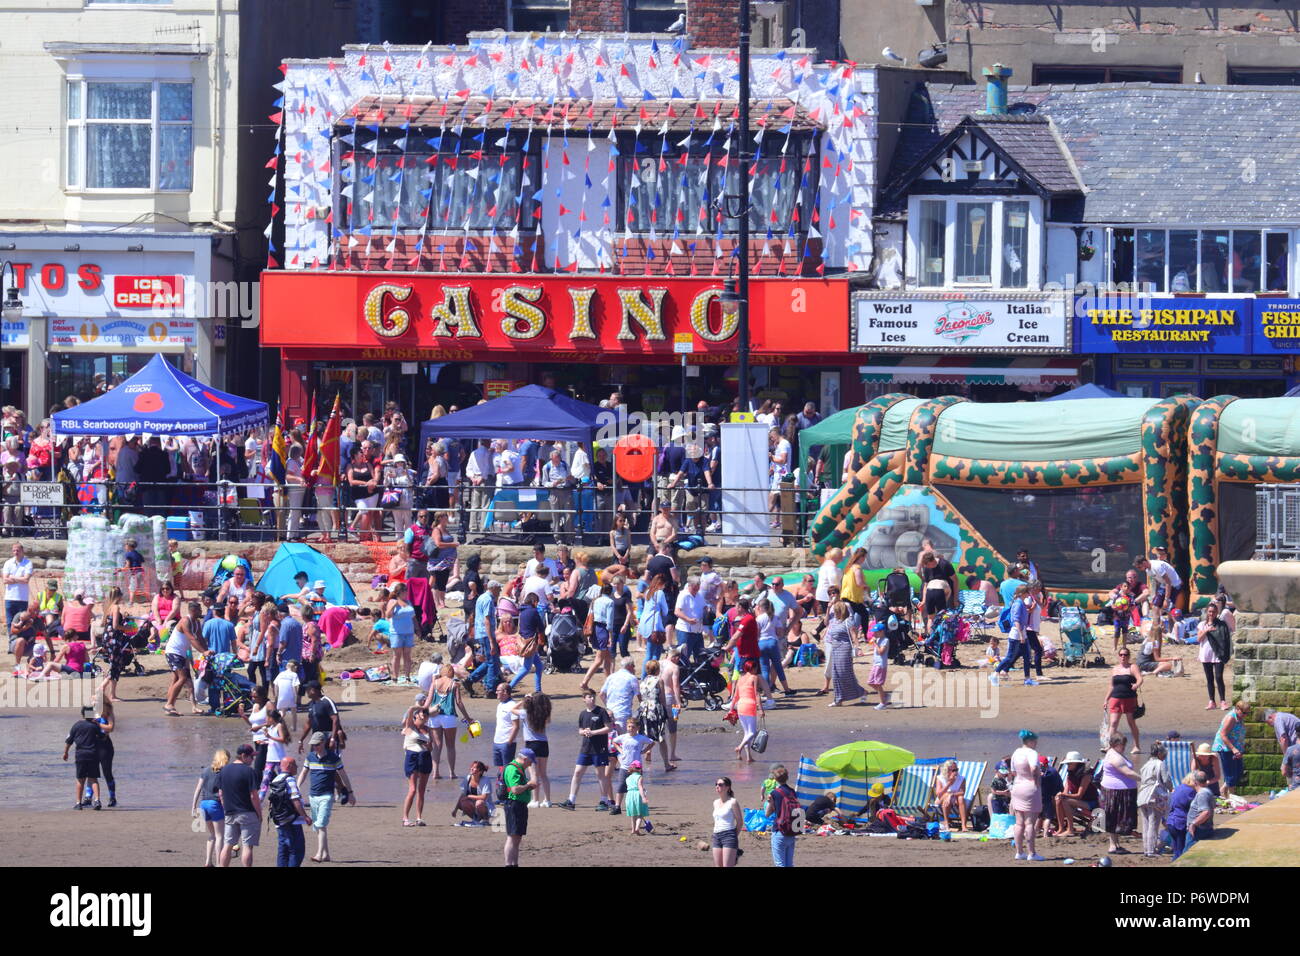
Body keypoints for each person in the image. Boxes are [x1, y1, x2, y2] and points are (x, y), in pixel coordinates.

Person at [299, 731, 353, 863]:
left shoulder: (333, 757)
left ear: (323, 743)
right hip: (313, 795)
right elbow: (303, 773)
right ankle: (326, 855)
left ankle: (319, 854)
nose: (315, 747)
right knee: (318, 827)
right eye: (313, 745)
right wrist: (296, 788)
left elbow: (343, 775)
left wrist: (350, 792)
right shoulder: (310, 757)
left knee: (321, 824)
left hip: (326, 796)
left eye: (317, 744)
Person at [561, 688, 614, 810]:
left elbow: (609, 728)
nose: (592, 698)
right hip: (585, 748)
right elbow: (579, 730)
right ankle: (571, 800)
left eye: (593, 696)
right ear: (584, 699)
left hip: (599, 748)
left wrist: (594, 732)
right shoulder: (582, 714)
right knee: (578, 772)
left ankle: (604, 801)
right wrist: (584, 732)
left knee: (600, 774)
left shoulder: (601, 712)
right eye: (589, 696)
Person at [216, 744, 262, 867]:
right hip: (247, 812)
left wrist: (226, 809)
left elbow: (220, 794)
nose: (253, 760)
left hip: (230, 813)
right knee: (247, 846)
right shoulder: (249, 771)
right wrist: (259, 814)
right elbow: (253, 796)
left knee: (227, 845)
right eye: (251, 757)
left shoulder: (224, 770)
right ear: (243, 756)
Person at [427, 663, 471, 779]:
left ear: (442, 672)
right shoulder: (454, 684)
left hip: (434, 716)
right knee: (450, 746)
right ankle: (452, 773)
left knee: (437, 746)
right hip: (449, 716)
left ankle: (435, 773)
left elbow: (428, 701)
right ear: (451, 673)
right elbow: (459, 702)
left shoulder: (434, 683)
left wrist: (422, 712)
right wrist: (467, 717)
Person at [1100, 732, 1140, 854]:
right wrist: (1144, 778)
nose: (1124, 747)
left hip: (1120, 791)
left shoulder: (1114, 753)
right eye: (1122, 745)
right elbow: (1128, 773)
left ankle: (1116, 844)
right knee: (1114, 817)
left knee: (1117, 818)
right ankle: (1113, 845)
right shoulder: (1114, 757)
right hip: (1115, 792)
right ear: (1115, 744)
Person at [165, 601, 205, 716]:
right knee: (182, 678)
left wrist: (207, 651)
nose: (201, 611)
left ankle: (194, 707)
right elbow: (192, 639)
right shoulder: (185, 621)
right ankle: (169, 705)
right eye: (199, 609)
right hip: (173, 652)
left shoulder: (196, 623)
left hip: (183, 654)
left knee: (188, 681)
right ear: (193, 610)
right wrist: (203, 652)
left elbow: (200, 638)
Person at [1009, 729, 1043, 862]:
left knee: (1019, 822)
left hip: (1017, 786)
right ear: (1030, 741)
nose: (1036, 744)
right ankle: (1032, 853)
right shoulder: (1032, 753)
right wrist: (1036, 781)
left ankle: (1019, 852)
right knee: (1030, 823)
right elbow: (1034, 768)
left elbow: (1012, 772)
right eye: (1035, 741)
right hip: (1030, 787)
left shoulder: (1016, 752)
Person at [267, 755, 308, 867]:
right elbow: (295, 800)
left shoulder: (276, 779)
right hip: (292, 820)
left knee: (283, 849)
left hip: (279, 820)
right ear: (289, 766)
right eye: (295, 765)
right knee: (297, 850)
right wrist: (305, 816)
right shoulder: (289, 780)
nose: (297, 767)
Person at [638, 659, 677, 772]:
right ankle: (666, 764)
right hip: (655, 710)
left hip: (644, 709)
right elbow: (662, 698)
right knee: (661, 737)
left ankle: (637, 763)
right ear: (658, 669)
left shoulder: (643, 681)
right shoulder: (659, 680)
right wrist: (665, 711)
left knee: (643, 735)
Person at [824, 601, 865, 707]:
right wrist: (828, 609)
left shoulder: (848, 621)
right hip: (835, 650)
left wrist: (858, 648)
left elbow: (854, 636)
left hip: (844, 650)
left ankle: (861, 691)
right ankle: (838, 699)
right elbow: (826, 623)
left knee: (844, 674)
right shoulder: (835, 621)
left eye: (835, 610)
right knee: (836, 675)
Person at [192, 749, 229, 866]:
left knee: (212, 835)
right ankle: (219, 863)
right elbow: (223, 792)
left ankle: (208, 861)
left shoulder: (206, 770)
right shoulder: (223, 771)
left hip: (203, 804)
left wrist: (193, 806)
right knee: (219, 836)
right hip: (215, 804)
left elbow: (198, 788)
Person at [610, 717, 653, 816]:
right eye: (629, 726)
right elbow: (614, 742)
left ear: (637, 727)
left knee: (637, 787)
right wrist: (620, 750)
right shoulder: (623, 737)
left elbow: (652, 742)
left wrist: (644, 751)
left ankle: (639, 805)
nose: (630, 729)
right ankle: (617, 807)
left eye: (633, 727)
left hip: (636, 768)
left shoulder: (640, 738)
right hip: (624, 766)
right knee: (621, 786)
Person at [1137, 741, 1173, 857]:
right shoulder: (1160, 764)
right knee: (1153, 823)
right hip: (1154, 796)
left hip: (1142, 795)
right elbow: (1166, 780)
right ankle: (1151, 851)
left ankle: (1146, 849)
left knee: (1145, 824)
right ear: (1160, 754)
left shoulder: (1145, 765)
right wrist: (1171, 788)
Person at [1105, 646, 1143, 754]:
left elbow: (1140, 678)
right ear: (1118, 656)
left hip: (1129, 698)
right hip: (1115, 698)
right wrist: (1106, 699)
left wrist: (1136, 685)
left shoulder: (1132, 667)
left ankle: (1136, 746)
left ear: (1129, 656)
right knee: (1113, 723)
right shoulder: (1115, 669)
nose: (1123, 657)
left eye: (1125, 655)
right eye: (1121, 655)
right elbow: (1111, 686)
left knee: (1131, 723)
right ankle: (1110, 746)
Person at [729, 660, 769, 763]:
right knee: (752, 732)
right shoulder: (754, 677)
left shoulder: (740, 679)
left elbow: (735, 697)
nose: (756, 670)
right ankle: (739, 747)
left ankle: (749, 757)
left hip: (740, 706)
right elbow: (756, 694)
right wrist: (760, 709)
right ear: (753, 668)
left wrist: (730, 710)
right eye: (756, 668)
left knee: (747, 733)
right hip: (750, 706)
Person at [502, 748, 537, 866]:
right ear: (525, 759)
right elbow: (515, 789)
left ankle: (514, 864)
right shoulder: (513, 769)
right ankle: (508, 864)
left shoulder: (519, 768)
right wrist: (528, 785)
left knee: (517, 837)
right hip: (514, 806)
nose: (531, 764)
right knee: (512, 837)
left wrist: (529, 787)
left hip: (519, 805)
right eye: (531, 762)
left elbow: (519, 788)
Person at [63, 709, 103, 810]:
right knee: (93, 779)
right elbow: (103, 737)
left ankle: (78, 803)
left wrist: (66, 752)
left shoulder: (76, 725)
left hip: (81, 755)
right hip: (93, 755)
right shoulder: (95, 726)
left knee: (80, 780)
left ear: (82, 715)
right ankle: (97, 800)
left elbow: (69, 741)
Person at [1197, 601, 1233, 710]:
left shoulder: (1222, 625)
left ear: (1217, 612)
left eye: (1213, 612)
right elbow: (1199, 639)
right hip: (1206, 654)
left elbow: (1226, 640)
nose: (1211, 614)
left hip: (1218, 654)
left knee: (1218, 677)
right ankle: (1212, 701)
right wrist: (1206, 630)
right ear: (1207, 612)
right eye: (1209, 612)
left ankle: (1223, 701)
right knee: (1209, 679)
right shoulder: (1202, 624)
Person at [400, 705, 433, 827]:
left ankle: (419, 817)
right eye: (422, 716)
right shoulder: (410, 727)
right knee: (413, 789)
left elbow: (431, 748)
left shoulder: (427, 729)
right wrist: (419, 707)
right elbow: (410, 710)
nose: (424, 718)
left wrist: (428, 745)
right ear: (416, 717)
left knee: (421, 790)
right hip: (412, 757)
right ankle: (405, 818)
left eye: (425, 716)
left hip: (425, 757)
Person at [1053, 752, 1098, 837]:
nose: (1067, 765)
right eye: (1067, 763)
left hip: (1091, 803)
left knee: (1065, 800)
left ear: (1077, 763)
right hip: (1078, 801)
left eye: (1070, 763)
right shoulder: (1070, 774)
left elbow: (1079, 795)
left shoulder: (1086, 775)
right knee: (1059, 799)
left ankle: (1070, 830)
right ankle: (1061, 828)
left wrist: (1063, 795)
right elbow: (1065, 793)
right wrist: (1061, 795)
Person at [1212, 699, 1249, 798]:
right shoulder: (1231, 718)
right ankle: (1232, 796)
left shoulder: (1239, 717)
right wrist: (1233, 749)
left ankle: (1222, 790)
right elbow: (1223, 735)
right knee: (1231, 773)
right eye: (1244, 713)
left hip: (1236, 747)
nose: (1246, 715)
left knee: (1239, 772)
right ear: (1237, 709)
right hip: (1226, 748)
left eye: (1247, 713)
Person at [765, 764, 799, 867]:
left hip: (779, 830)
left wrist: (770, 802)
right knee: (789, 864)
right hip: (792, 830)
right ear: (787, 777)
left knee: (780, 864)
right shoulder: (792, 791)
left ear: (775, 779)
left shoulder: (775, 793)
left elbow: (767, 813)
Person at [299, 680, 345, 753]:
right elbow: (309, 724)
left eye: (307, 689)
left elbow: (335, 720)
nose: (306, 691)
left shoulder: (327, 702)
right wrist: (301, 740)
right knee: (314, 761)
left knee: (331, 762)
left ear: (313, 690)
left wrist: (332, 739)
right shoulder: (311, 704)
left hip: (329, 736)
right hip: (316, 738)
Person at [600, 656, 641, 736]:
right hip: (623, 713)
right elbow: (639, 697)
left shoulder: (611, 677)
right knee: (623, 741)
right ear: (629, 666)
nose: (634, 668)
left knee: (611, 741)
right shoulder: (632, 678)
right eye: (633, 666)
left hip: (609, 713)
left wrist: (608, 707)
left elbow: (601, 694)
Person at [385, 582, 416, 685]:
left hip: (409, 632)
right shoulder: (393, 601)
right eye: (405, 591)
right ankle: (395, 677)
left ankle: (407, 677)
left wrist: (417, 628)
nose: (407, 593)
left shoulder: (409, 602)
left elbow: (413, 616)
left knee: (407, 655)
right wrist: (393, 605)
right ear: (400, 592)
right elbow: (388, 615)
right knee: (397, 655)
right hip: (397, 633)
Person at [674, 574, 708, 668]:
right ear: (689, 586)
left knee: (700, 656)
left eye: (698, 588)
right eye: (694, 588)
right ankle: (682, 677)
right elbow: (677, 612)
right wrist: (688, 619)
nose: (696, 590)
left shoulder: (699, 595)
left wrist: (707, 610)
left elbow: (704, 606)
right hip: (685, 631)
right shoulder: (683, 595)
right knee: (684, 656)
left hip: (698, 631)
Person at [1165, 772, 1198, 860]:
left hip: (1171, 821)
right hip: (1180, 823)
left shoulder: (1179, 787)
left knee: (1176, 849)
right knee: (1181, 850)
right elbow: (1193, 806)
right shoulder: (1191, 791)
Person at [712, 776, 743, 867]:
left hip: (729, 834)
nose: (717, 786)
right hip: (716, 835)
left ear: (727, 787)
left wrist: (733, 836)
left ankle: (735, 854)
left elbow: (740, 822)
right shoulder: (715, 802)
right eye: (716, 784)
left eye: (720, 784)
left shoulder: (733, 802)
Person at [3, 541, 33, 631]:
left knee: (21, 621)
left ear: (22, 551)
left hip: (22, 598)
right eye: (14, 550)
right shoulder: (8, 563)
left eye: (18, 550)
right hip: (9, 597)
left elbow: (26, 580)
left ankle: (19, 640)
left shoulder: (28, 563)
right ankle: (11, 642)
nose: (16, 552)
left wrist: (12, 577)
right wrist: (20, 579)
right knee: (9, 622)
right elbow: (5, 580)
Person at [453, 760, 493, 825]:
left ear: (480, 771)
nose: (471, 768)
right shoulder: (468, 778)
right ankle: (476, 819)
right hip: (473, 804)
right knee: (463, 801)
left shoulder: (486, 780)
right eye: (472, 767)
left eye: (474, 767)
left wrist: (469, 796)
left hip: (485, 805)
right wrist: (455, 810)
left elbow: (484, 797)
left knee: (479, 802)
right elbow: (462, 795)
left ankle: (486, 820)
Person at [934, 759, 970, 832]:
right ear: (947, 770)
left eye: (956, 769)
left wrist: (951, 794)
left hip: (955, 798)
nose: (956, 772)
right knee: (946, 795)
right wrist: (949, 783)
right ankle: (946, 823)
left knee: (961, 798)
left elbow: (962, 792)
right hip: (941, 799)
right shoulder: (940, 778)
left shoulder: (961, 779)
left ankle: (963, 825)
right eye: (953, 770)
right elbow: (938, 793)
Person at [492, 682, 521, 770]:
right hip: (497, 741)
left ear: (505, 692)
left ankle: (506, 784)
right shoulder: (500, 705)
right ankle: (500, 783)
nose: (496, 692)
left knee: (507, 769)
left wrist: (509, 742)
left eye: (498, 690)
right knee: (500, 769)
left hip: (507, 743)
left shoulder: (512, 705)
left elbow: (516, 726)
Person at [623, 760, 651, 835]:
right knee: (640, 814)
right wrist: (643, 797)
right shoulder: (639, 777)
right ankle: (637, 829)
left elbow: (631, 787)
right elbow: (640, 787)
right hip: (637, 795)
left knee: (633, 814)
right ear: (640, 769)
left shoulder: (627, 778)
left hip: (629, 795)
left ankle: (632, 830)